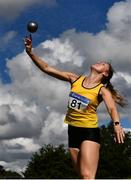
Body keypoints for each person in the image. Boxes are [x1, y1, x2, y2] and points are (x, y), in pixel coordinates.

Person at [24, 36, 126, 179]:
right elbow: (46, 68)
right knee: (82, 176)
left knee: (87, 176)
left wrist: (116, 124)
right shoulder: (75, 79)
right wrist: (30, 52)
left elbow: (112, 109)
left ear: (105, 73)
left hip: (89, 131)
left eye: (103, 64)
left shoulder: (102, 90)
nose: (99, 62)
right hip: (72, 130)